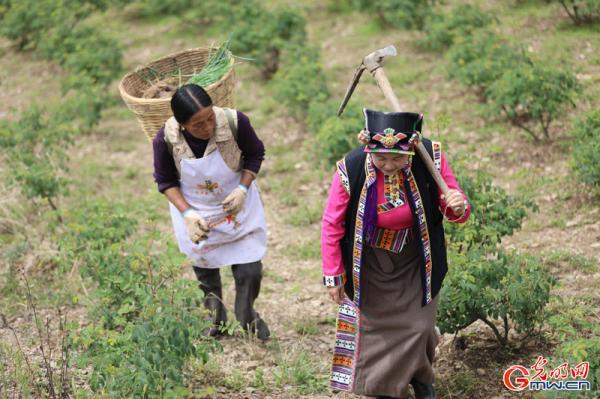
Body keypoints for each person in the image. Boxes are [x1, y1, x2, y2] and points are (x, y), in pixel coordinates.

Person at [321, 109, 471, 399]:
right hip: (371, 263)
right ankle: (384, 389)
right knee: (375, 331)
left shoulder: (428, 158)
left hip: (416, 259)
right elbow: (332, 223)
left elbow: (452, 202)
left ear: (410, 150)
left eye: (397, 158)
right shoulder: (350, 167)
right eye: (381, 158)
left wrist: (457, 202)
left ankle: (421, 379)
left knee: (420, 326)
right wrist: (333, 273)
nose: (389, 165)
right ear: (369, 150)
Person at [153, 84, 270, 340]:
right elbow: (165, 181)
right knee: (205, 271)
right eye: (198, 124)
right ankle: (215, 320)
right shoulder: (166, 139)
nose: (207, 128)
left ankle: (247, 315)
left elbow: (255, 154)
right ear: (182, 124)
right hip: (197, 209)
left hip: (237, 205)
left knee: (250, 270)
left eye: (210, 118)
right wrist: (187, 214)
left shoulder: (233, 122)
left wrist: (242, 188)